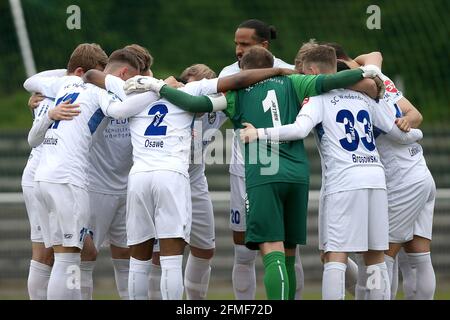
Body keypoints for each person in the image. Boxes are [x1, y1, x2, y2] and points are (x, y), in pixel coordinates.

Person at [126, 45, 386, 299]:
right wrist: (369, 73)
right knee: (289, 252)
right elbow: (334, 79)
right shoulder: (296, 83)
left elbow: (193, 103)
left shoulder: (234, 95)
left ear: (243, 70)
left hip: (264, 173)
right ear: (272, 67)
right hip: (297, 173)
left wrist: (158, 86)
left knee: (271, 249)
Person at [239, 45, 424, 300]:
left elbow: (299, 129)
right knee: (375, 258)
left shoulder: (317, 99)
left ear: (314, 71)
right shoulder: (365, 97)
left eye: (304, 73)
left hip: (344, 182)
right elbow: (398, 133)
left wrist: (258, 133)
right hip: (376, 179)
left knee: (335, 256)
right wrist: (418, 133)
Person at [23, 46, 140, 299]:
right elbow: (122, 109)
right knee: (64, 257)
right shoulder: (96, 89)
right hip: (65, 178)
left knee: (64, 253)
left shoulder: (61, 85)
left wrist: (72, 77)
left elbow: (30, 84)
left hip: (41, 177)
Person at [332, 43, 436, 300]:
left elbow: (409, 121)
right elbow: (375, 54)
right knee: (417, 256)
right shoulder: (376, 75)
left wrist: (410, 129)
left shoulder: (355, 90)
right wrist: (363, 64)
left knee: (380, 256)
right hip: (418, 172)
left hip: (400, 180)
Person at [218, 19, 304, 300]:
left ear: (263, 45)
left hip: (274, 167)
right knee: (243, 249)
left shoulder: (288, 72)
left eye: (245, 44)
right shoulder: (229, 73)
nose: (238, 49)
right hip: (243, 169)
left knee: (286, 249)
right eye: (236, 43)